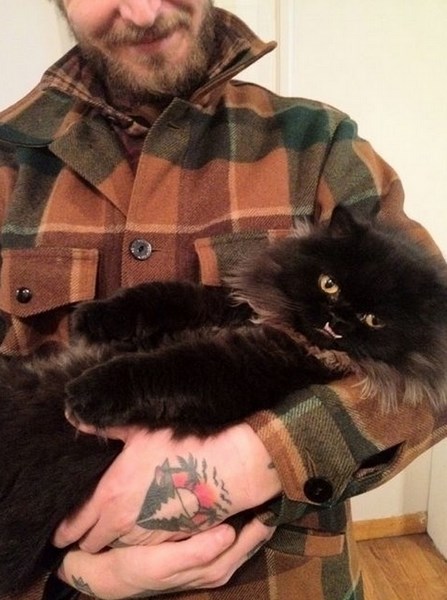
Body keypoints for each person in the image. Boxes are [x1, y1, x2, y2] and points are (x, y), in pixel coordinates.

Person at [0, 1, 445, 599]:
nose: (143, 11)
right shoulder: (5, 161)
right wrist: (69, 572)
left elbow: (436, 366)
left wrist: (261, 455)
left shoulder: (320, 143)